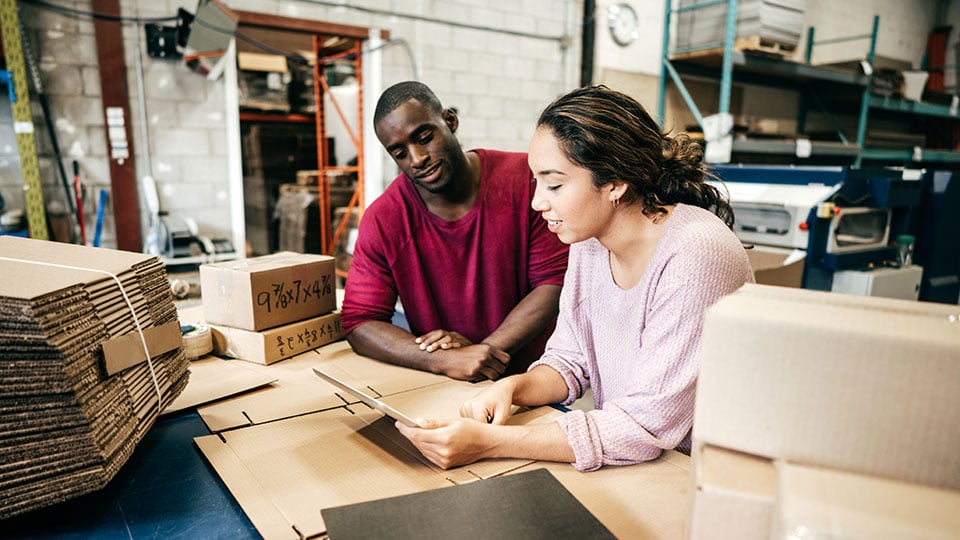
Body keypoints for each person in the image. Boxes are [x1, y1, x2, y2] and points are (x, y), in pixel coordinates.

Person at [395, 85, 754, 471]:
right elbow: (570, 359)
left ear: (614, 181)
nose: (538, 202)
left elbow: (644, 424)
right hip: (641, 461)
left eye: (555, 184)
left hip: (706, 473)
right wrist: (511, 388)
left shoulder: (695, 251)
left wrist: (491, 443)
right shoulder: (590, 241)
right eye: (536, 182)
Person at [340, 81, 569, 382]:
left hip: (534, 381)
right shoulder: (384, 219)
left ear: (450, 121)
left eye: (424, 138)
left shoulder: (525, 181)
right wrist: (445, 360)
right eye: (399, 153)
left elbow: (553, 283)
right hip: (447, 384)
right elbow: (360, 321)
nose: (417, 158)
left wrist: (484, 352)